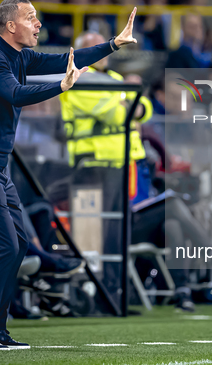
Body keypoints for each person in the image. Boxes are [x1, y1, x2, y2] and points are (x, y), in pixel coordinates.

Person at [0, 0, 137, 351]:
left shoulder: (20, 55)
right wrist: (61, 87)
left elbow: (64, 60)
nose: (38, 24)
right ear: (9, 26)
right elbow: (15, 95)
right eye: (30, 18)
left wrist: (112, 44)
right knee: (4, 246)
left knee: (18, 246)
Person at [58, 31, 153, 303]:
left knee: (116, 229)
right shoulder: (79, 77)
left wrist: (128, 102)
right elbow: (119, 112)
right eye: (94, 47)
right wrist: (127, 102)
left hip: (121, 163)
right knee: (93, 233)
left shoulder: (113, 80)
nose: (102, 51)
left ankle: (115, 290)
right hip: (93, 163)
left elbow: (143, 108)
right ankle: (95, 294)